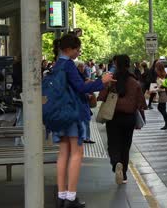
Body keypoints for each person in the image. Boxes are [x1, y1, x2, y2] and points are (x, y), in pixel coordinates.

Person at [52, 34, 114, 208]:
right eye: (77, 48)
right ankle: (71, 198)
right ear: (69, 49)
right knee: (77, 154)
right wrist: (101, 81)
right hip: (72, 113)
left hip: (60, 114)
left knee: (63, 153)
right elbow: (81, 88)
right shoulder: (68, 65)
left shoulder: (56, 65)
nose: (79, 51)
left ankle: (61, 195)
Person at [98, 54, 146, 185]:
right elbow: (141, 102)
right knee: (125, 146)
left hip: (113, 117)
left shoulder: (111, 80)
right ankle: (124, 174)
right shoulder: (134, 81)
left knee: (113, 144)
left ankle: (116, 163)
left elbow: (101, 97)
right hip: (129, 118)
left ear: (116, 64)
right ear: (128, 64)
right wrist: (141, 120)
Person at [155, 62, 167, 130]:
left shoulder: (164, 75)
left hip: (163, 93)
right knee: (162, 108)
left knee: (161, 108)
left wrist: (155, 89)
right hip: (162, 93)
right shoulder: (161, 74)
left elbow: (163, 86)